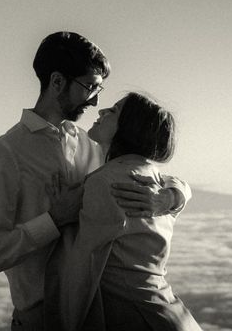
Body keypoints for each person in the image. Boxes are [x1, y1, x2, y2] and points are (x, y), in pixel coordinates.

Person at [0, 32, 191, 331]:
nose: (97, 100)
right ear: (57, 81)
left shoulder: (92, 145)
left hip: (96, 316)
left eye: (100, 89)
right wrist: (53, 219)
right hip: (39, 319)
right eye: (89, 87)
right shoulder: (8, 152)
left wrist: (170, 197)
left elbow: (144, 171)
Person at [44, 92, 201, 331]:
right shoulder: (155, 178)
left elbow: (82, 272)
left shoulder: (105, 182)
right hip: (170, 313)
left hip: (140, 318)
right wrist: (172, 196)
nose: (101, 112)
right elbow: (179, 183)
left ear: (129, 127)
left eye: (114, 110)